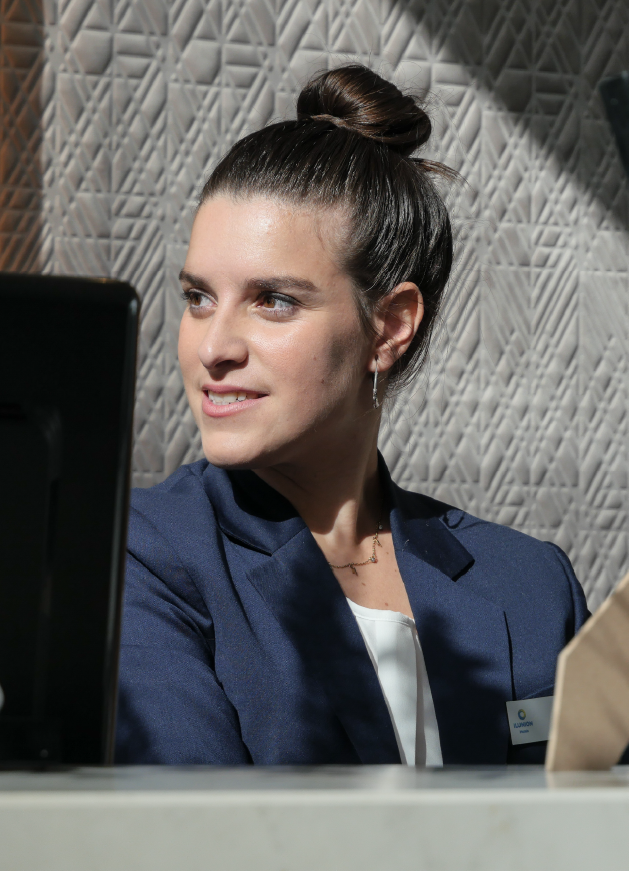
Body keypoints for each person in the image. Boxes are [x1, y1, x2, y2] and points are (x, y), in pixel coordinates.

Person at [116, 64, 589, 766]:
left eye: (273, 299)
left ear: (388, 327)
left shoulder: (529, 583)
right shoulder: (140, 556)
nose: (212, 348)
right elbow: (203, 839)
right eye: (198, 297)